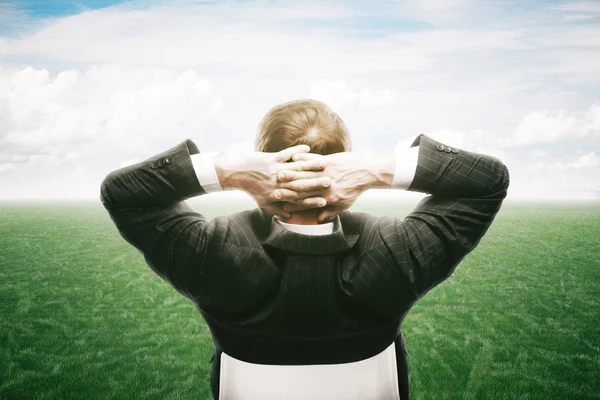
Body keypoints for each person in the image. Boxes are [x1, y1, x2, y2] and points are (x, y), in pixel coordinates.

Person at [100, 99, 509, 400]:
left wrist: (226, 170)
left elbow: (122, 193)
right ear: (345, 163)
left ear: (263, 159)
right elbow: (488, 181)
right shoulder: (397, 249)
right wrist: (377, 169)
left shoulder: (212, 251)